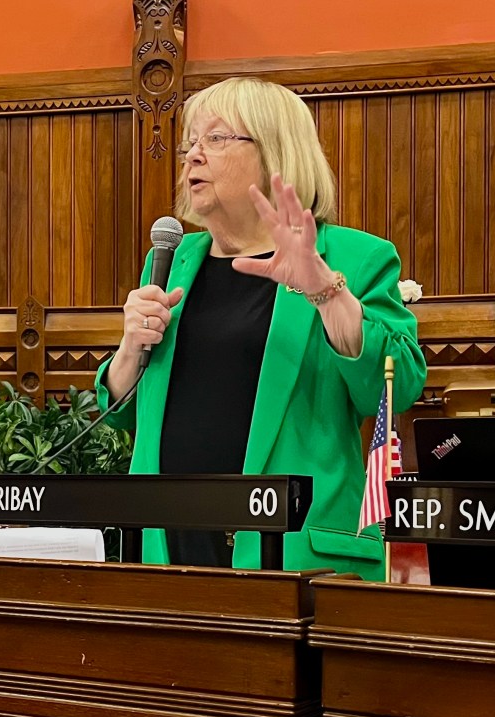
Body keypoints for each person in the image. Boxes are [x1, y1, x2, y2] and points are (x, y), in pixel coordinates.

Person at [96, 77, 426, 577]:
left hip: (294, 555)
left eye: (217, 138)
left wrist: (327, 294)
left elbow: (396, 388)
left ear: (275, 152)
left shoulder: (355, 259)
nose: (192, 156)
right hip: (168, 547)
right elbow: (124, 413)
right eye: (191, 142)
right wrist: (127, 352)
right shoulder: (172, 262)